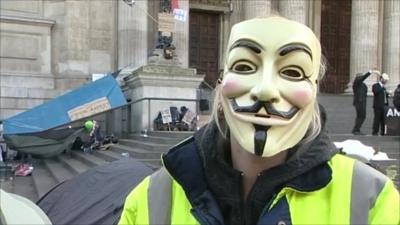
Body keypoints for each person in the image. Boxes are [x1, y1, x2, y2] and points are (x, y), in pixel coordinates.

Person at [118, 17, 399, 225]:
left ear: (315, 88)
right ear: (221, 79)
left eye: (292, 72)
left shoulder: (372, 200)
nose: (265, 90)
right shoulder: (150, 199)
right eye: (244, 66)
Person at [351, 70, 379, 135]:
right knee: (361, 116)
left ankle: (356, 129)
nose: (361, 78)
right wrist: (370, 72)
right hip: (359, 102)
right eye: (360, 77)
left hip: (363, 102)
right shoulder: (356, 83)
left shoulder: (363, 84)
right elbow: (363, 78)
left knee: (361, 116)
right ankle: (356, 130)